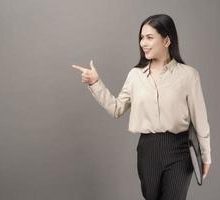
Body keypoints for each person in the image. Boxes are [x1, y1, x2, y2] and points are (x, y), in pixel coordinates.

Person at [72, 14, 211, 200]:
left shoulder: (189, 76)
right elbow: (116, 109)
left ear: (167, 40)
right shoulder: (135, 76)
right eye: (141, 37)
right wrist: (96, 83)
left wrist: (206, 155)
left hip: (180, 150)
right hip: (148, 150)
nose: (143, 43)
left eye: (149, 37)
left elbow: (200, 120)